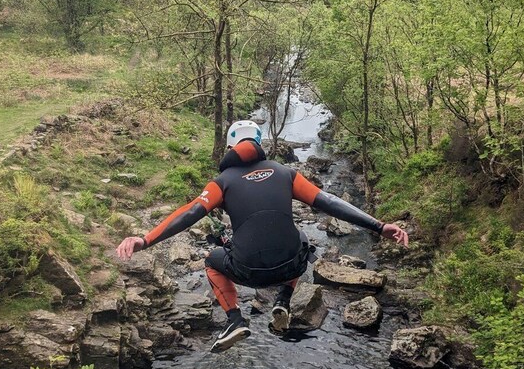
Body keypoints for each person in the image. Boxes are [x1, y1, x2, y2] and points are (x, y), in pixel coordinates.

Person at [116, 120, 409, 353]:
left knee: (210, 260)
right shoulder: (285, 173)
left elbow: (189, 214)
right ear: (259, 143)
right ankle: (283, 299)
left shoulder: (222, 182)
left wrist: (145, 240)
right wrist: (379, 226)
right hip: (290, 266)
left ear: (230, 146)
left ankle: (235, 321)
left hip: (248, 272)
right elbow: (329, 202)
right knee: (304, 242)